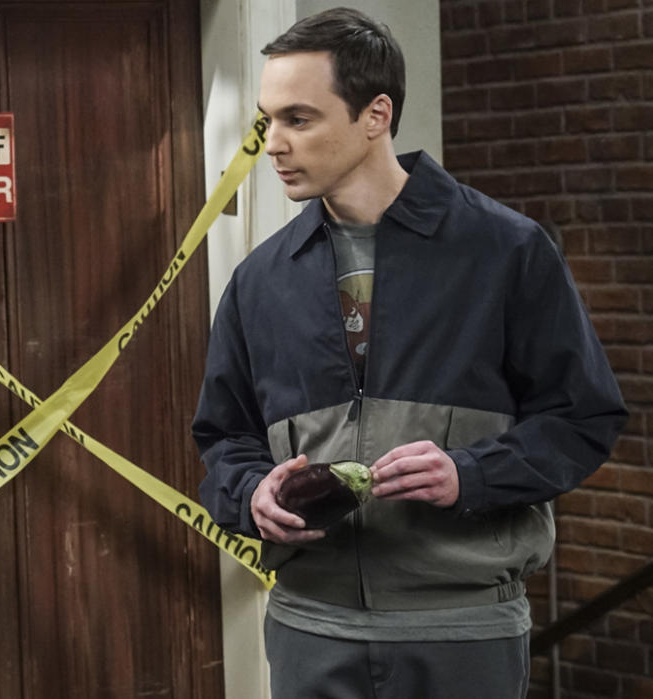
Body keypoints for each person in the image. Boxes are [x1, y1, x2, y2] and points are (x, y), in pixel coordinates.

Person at [192, 8, 626, 698]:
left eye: (298, 120)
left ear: (376, 114)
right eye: (266, 120)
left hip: (462, 635)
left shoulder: (506, 252)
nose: (272, 144)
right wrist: (251, 492)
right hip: (310, 632)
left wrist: (471, 474)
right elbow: (224, 435)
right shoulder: (261, 279)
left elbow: (583, 417)